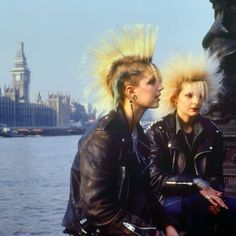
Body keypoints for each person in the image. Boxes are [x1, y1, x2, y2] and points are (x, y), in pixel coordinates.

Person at [62, 25, 179, 236]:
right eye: (152, 82)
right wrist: (150, 232)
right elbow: (97, 208)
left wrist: (167, 224)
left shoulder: (140, 138)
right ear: (131, 91)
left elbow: (146, 192)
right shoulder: (102, 137)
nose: (161, 87)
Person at [146, 53, 234, 236]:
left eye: (200, 96)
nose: (196, 101)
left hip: (205, 196)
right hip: (167, 200)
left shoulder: (212, 130)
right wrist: (196, 184)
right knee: (196, 203)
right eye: (189, 95)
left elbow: (217, 176)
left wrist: (215, 197)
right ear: (175, 97)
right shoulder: (158, 131)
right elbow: (156, 179)